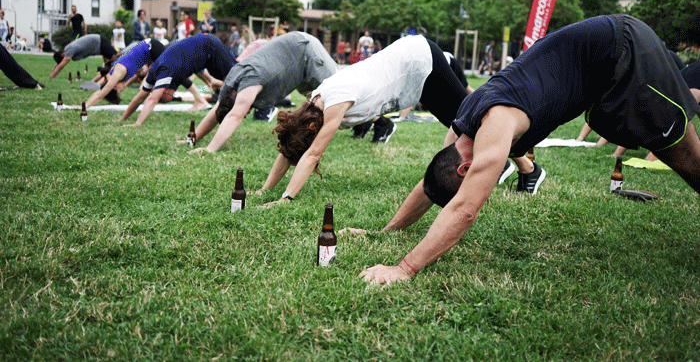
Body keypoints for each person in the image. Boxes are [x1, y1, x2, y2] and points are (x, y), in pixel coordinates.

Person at [359, 14, 700, 286]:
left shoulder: (496, 124)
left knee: (684, 156)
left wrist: (404, 268)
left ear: (467, 169)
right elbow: (434, 182)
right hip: (604, 63)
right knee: (642, 136)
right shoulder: (461, 126)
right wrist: (387, 232)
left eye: (475, 178)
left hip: (627, 49)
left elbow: (464, 209)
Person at [260, 34, 535, 206]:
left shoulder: (333, 103)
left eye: (308, 136)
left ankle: (528, 169)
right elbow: (292, 146)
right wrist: (264, 190)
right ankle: (507, 165)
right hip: (411, 72)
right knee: (461, 123)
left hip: (420, 61)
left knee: (474, 120)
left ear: (311, 125)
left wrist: (286, 198)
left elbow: (311, 154)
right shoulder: (313, 103)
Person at [186, 31, 338, 153]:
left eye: (245, 112)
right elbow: (217, 110)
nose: (246, 113)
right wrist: (193, 138)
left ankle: (361, 126)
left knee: (338, 94)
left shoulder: (249, 83)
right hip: (298, 66)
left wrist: (210, 149)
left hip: (307, 51)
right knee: (318, 102)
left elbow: (234, 115)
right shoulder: (230, 85)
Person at [120, 34, 235, 126]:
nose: (173, 94)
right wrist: (123, 118)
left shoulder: (165, 72)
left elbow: (152, 99)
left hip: (210, 47)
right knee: (231, 80)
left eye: (168, 96)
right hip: (206, 53)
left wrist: (138, 123)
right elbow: (139, 98)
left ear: (165, 91)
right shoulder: (154, 73)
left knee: (237, 75)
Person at [84, 39, 166, 108]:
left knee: (169, 72)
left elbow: (100, 95)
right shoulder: (116, 77)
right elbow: (100, 91)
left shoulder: (118, 73)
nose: (123, 90)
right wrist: (85, 104)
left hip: (151, 47)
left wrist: (84, 107)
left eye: (120, 91)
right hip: (149, 50)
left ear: (115, 87)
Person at [49, 34, 117, 79]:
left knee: (116, 57)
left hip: (100, 42)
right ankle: (106, 75)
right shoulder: (66, 49)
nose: (63, 61)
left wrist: (51, 77)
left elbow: (61, 66)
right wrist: (51, 74)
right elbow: (59, 64)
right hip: (98, 43)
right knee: (109, 61)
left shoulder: (70, 49)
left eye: (63, 59)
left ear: (62, 54)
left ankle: (115, 75)